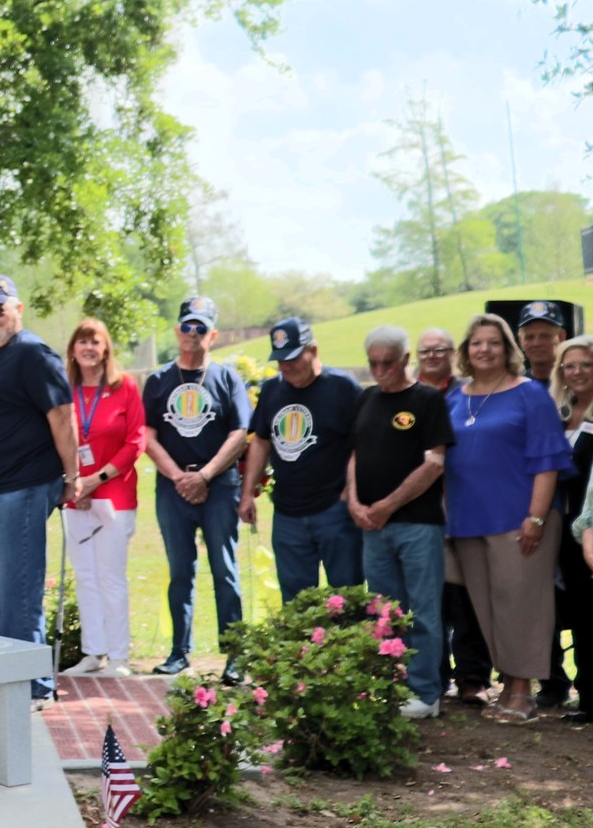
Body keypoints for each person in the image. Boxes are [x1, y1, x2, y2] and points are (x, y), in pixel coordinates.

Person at [443, 313, 574, 723]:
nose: (484, 349)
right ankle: (509, 687)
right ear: (466, 351)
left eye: (493, 342)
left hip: (520, 521)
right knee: (488, 609)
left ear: (507, 349)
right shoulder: (454, 399)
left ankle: (522, 693)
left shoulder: (529, 394)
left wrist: (536, 518)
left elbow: (548, 461)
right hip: (467, 522)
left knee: (522, 607)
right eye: (477, 343)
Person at [0, 275, 75, 701]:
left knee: (17, 595)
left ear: (18, 310)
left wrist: (72, 476)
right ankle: (14, 682)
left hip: (22, 488)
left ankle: (34, 687)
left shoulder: (32, 353)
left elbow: (62, 416)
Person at [347, 326, 456, 720]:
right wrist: (355, 502)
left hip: (417, 524)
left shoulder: (427, 400)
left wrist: (387, 506)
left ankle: (425, 692)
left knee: (422, 611)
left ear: (406, 360)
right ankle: (390, 687)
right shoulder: (366, 399)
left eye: (387, 363)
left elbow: (435, 463)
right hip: (373, 527)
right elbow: (355, 455)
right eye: (373, 363)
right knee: (384, 612)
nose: (379, 371)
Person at [141, 296, 250, 677]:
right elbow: (147, 436)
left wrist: (205, 476)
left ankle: (235, 656)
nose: (192, 334)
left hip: (219, 486)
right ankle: (178, 652)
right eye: (186, 326)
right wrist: (179, 477)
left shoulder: (227, 378)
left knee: (225, 570)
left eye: (200, 328)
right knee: (180, 571)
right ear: (177, 331)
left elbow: (240, 433)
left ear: (213, 335)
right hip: (173, 488)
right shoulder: (158, 380)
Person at [241, 318, 363, 603]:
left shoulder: (343, 388)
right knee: (296, 604)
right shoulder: (272, 389)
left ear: (313, 350)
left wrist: (350, 492)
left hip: (334, 510)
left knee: (348, 599)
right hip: (287, 514)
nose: (286, 366)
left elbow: (362, 444)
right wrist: (247, 493)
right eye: (280, 360)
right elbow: (261, 441)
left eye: (293, 358)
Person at [61, 318, 144, 677]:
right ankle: (93, 653)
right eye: (82, 342)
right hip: (74, 494)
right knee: (85, 576)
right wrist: (74, 483)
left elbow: (136, 440)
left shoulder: (124, 387)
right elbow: (55, 437)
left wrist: (96, 479)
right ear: (72, 349)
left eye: (95, 342)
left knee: (110, 576)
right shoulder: (64, 389)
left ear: (106, 348)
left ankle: (120, 655)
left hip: (114, 494)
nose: (89, 348)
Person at [414, 324, 488, 701]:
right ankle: (435, 674)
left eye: (440, 350)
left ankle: (472, 676)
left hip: (465, 506)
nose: (432, 356)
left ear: (452, 354)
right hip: (416, 511)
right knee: (428, 598)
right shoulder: (404, 396)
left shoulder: (470, 394)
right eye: (425, 351)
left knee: (466, 596)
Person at [523, 301, 576, 709]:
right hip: (532, 507)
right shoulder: (516, 387)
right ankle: (552, 681)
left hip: (575, 507)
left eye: (546, 334)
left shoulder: (577, 384)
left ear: (561, 337)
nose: (538, 342)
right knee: (540, 598)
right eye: (530, 335)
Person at [550, 336, 593, 720]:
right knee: (579, 614)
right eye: (570, 365)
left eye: (586, 364)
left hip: (591, 527)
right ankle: (587, 695)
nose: (577, 372)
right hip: (562, 530)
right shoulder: (559, 414)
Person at [520, 300, 567, 384]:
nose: (536, 343)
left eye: (545, 336)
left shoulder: (576, 384)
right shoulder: (514, 386)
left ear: (561, 337)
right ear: (521, 341)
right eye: (529, 337)